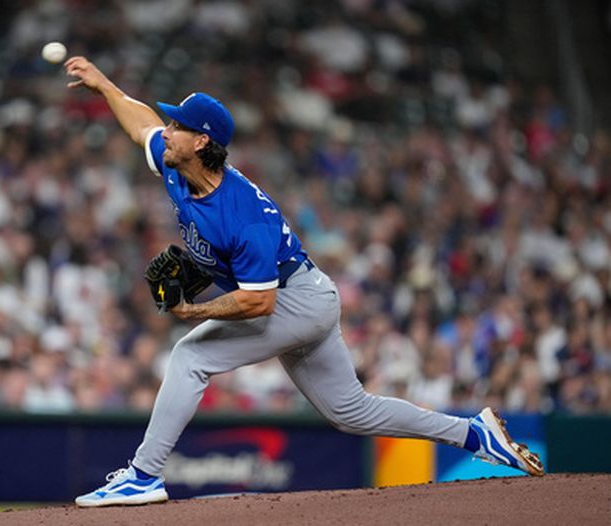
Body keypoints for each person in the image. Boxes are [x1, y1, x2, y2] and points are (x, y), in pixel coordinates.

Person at [64, 55, 544, 508]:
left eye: (178, 127)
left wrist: (196, 311)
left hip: (293, 300)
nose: (166, 133)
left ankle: (144, 475)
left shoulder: (242, 215)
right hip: (310, 295)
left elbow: (259, 304)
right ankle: (473, 434)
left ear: (202, 142)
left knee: (190, 354)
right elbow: (141, 123)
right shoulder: (178, 166)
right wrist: (105, 84)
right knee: (350, 411)